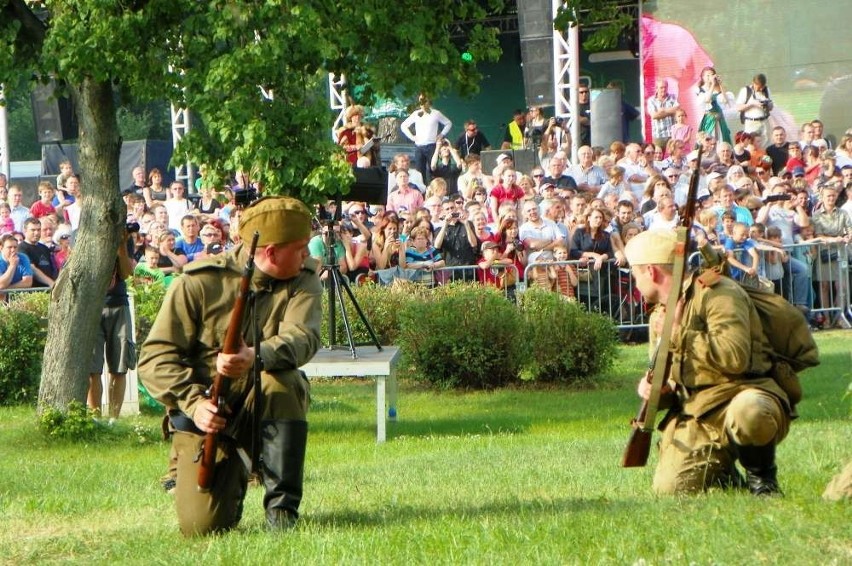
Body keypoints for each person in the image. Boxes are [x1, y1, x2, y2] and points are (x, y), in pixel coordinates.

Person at [139, 196, 322, 535]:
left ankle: (282, 512)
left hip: (259, 401)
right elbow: (155, 359)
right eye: (299, 249)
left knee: (283, 382)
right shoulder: (199, 282)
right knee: (202, 527)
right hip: (208, 413)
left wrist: (255, 356)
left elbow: (303, 338)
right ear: (270, 252)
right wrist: (195, 406)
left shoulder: (303, 278)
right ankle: (210, 468)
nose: (307, 256)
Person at [625, 229, 792, 495]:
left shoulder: (719, 293)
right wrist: (657, 389)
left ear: (651, 272)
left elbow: (734, 358)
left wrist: (681, 333)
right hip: (698, 410)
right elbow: (672, 376)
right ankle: (723, 474)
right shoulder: (660, 314)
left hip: (743, 394)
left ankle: (762, 479)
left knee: (750, 411)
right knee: (670, 489)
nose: (635, 283)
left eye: (635, 275)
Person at [88, 236, 136, 423]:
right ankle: (96, 418)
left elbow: (125, 273)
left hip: (119, 304)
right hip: (93, 306)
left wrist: (122, 244)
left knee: (119, 366)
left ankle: (113, 420)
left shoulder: (125, 239)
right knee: (93, 368)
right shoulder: (83, 233)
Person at [400, 94, 452, 184]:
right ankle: (422, 193)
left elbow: (448, 123)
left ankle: (434, 190)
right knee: (419, 172)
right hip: (419, 146)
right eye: (421, 101)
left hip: (431, 145)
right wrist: (412, 137)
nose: (423, 103)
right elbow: (403, 125)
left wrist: (441, 134)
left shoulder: (436, 113)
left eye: (425, 100)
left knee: (433, 170)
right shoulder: (416, 114)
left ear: (429, 102)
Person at [18, 218, 58, 289]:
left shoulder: (44, 248)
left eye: (38, 230)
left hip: (48, 290)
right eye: (33, 230)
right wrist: (52, 284)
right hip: (33, 292)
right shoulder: (21, 248)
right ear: (25, 231)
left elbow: (52, 269)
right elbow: (33, 269)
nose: (36, 233)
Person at [696, 66, 731, 145]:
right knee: (708, 138)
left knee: (722, 138)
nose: (710, 77)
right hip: (708, 118)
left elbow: (725, 100)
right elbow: (707, 99)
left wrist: (720, 84)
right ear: (703, 77)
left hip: (719, 117)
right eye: (707, 75)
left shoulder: (717, 88)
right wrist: (712, 85)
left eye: (712, 75)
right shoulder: (700, 89)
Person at [736, 73, 774, 142]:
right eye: (759, 87)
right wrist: (752, 104)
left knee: (765, 143)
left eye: (763, 86)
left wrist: (767, 105)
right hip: (751, 123)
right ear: (753, 83)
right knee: (751, 143)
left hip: (764, 122)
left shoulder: (766, 90)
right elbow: (738, 108)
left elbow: (771, 107)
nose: (761, 89)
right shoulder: (746, 90)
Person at [646, 78, 680, 149]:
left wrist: (663, 110)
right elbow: (654, 116)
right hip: (658, 135)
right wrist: (670, 111)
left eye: (665, 87)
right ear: (656, 88)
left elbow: (677, 110)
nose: (663, 89)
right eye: (661, 87)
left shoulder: (673, 97)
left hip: (672, 134)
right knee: (658, 157)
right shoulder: (651, 100)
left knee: (673, 156)